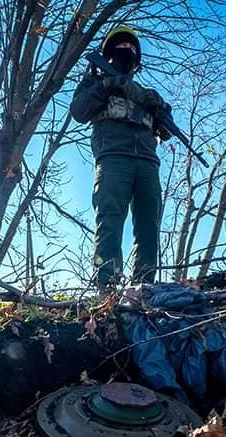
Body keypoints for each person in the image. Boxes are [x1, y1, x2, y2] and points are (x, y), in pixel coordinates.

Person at [70, 27, 173, 290]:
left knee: (149, 227)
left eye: (131, 47)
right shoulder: (94, 84)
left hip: (148, 163)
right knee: (110, 221)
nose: (126, 50)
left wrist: (159, 108)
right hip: (113, 158)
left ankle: (144, 289)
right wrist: (107, 85)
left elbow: (168, 131)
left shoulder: (147, 94)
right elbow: (79, 111)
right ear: (108, 53)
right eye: (120, 46)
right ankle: (107, 287)